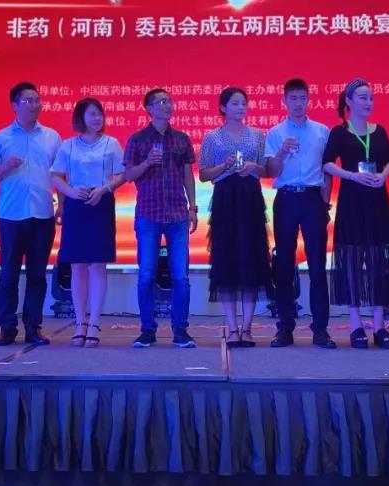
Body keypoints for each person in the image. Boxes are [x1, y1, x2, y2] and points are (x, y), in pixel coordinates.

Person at [322, 79, 389, 349]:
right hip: (352, 200)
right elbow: (326, 164)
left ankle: (379, 326)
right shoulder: (339, 132)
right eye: (362, 97)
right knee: (351, 260)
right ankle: (356, 324)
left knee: (378, 261)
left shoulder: (379, 130)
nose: (368, 102)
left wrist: (383, 175)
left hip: (377, 200)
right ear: (349, 101)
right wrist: (351, 176)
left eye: (370, 97)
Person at [0, 82, 61, 347]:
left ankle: (33, 327)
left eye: (37, 100)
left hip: (42, 214)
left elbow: (60, 175)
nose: (35, 105)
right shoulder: (1, 138)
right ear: (14, 106)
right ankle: (7, 328)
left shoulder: (51, 137)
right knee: (9, 274)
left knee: (37, 275)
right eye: (28, 101)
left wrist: (62, 205)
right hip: (11, 215)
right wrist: (5, 166)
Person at [123, 88, 198, 349]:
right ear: (149, 108)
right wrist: (146, 163)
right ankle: (147, 330)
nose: (167, 105)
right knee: (146, 275)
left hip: (177, 214)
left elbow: (188, 175)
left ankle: (180, 331)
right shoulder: (137, 139)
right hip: (148, 214)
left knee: (181, 277)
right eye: (161, 102)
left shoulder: (182, 139)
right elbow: (128, 175)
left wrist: (193, 207)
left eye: (169, 101)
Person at [264, 78, 335, 349]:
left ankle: (321, 330)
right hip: (286, 198)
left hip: (313, 199)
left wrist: (325, 203)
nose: (297, 103)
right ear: (284, 100)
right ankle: (285, 327)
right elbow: (271, 171)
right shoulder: (275, 132)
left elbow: (328, 171)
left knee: (317, 264)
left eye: (302, 98)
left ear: (308, 100)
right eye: (292, 98)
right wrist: (282, 151)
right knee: (284, 264)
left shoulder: (322, 132)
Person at [199, 87, 272, 348]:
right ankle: (232, 328)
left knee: (251, 258)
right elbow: (203, 174)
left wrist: (253, 167)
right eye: (235, 103)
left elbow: (267, 170)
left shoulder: (258, 135)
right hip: (224, 198)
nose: (241, 108)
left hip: (250, 197)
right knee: (226, 259)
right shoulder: (212, 137)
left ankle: (248, 328)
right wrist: (225, 166)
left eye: (244, 103)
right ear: (223, 108)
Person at [50, 98, 125, 347]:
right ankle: (80, 322)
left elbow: (122, 174)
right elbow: (55, 176)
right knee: (77, 266)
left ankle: (94, 323)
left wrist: (104, 189)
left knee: (97, 265)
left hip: (101, 204)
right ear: (80, 117)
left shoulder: (111, 143)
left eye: (99, 114)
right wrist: (71, 193)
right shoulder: (68, 145)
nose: (97, 118)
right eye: (92, 114)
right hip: (76, 205)